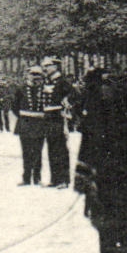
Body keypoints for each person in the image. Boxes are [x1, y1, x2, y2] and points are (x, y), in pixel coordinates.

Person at [39, 58, 74, 188]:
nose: (45, 69)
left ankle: (64, 180)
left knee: (60, 149)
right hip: (48, 117)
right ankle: (55, 178)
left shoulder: (62, 82)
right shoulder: (48, 81)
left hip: (57, 117)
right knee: (52, 148)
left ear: (55, 67)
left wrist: (66, 103)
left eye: (48, 66)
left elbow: (73, 95)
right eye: (44, 66)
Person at [14, 66, 50, 186]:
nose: (35, 77)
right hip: (25, 124)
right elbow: (15, 107)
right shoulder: (21, 89)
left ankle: (37, 177)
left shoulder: (45, 90)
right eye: (33, 74)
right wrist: (24, 117)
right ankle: (26, 177)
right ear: (28, 75)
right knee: (26, 152)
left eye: (38, 75)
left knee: (38, 152)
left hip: (40, 124)